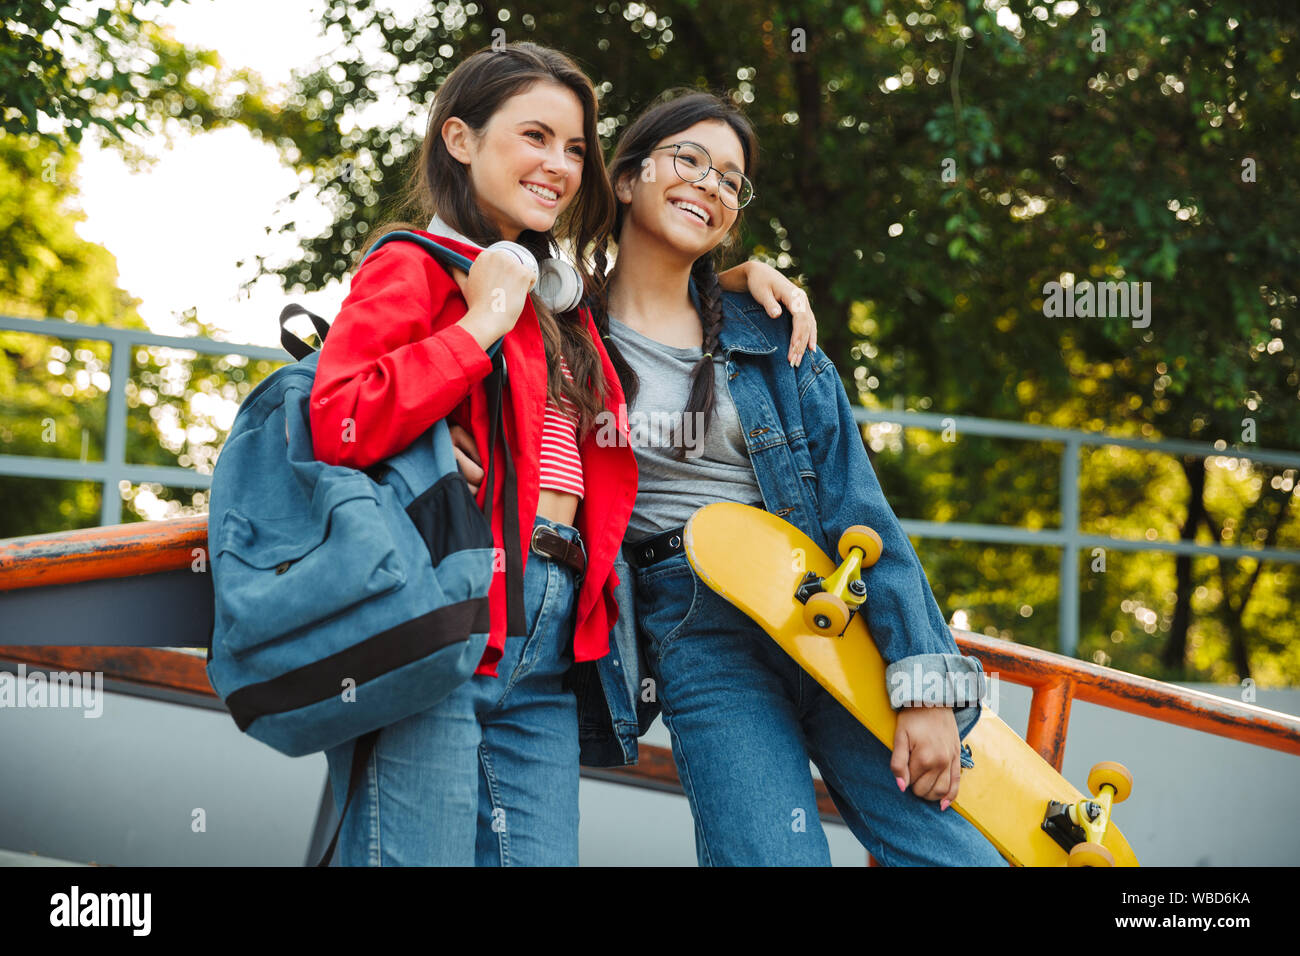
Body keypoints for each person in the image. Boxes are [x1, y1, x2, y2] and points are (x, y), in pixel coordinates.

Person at [309, 45, 814, 866]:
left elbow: (646, 302)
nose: (559, 164)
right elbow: (341, 419)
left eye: (576, 148)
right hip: (447, 614)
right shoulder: (413, 267)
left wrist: (729, 277)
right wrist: (478, 326)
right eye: (536, 136)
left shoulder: (563, 305)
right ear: (461, 140)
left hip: (553, 635)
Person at [498, 88, 1003, 866]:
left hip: (828, 609)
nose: (710, 184)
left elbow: (856, 502)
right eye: (688, 160)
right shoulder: (559, 338)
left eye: (731, 180)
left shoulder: (772, 333)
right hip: (695, 629)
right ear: (626, 179)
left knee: (946, 852)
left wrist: (925, 684)